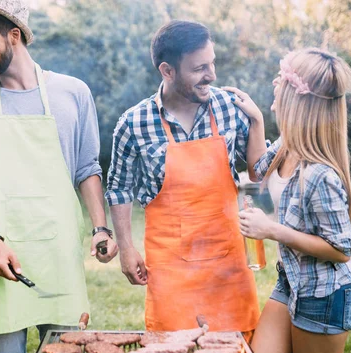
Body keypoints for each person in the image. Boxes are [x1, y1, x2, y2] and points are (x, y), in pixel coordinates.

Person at [0, 1, 118, 353]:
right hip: (2, 260)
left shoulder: (73, 92)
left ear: (14, 35)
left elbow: (87, 167)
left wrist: (99, 226)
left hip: (59, 256)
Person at [105, 20, 266, 334]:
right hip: (170, 270)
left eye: (212, 63)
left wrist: (257, 123)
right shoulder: (134, 122)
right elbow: (119, 188)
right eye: (199, 68)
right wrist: (125, 247)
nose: (212, 75)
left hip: (228, 265)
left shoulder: (230, 108)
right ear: (167, 71)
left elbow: (257, 174)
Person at [237, 48, 351, 353]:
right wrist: (256, 121)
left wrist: (271, 230)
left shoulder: (320, 174)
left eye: (282, 80)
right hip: (292, 281)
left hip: (325, 294)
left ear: (298, 98)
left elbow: (341, 250)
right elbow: (257, 171)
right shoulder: (287, 144)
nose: (275, 85)